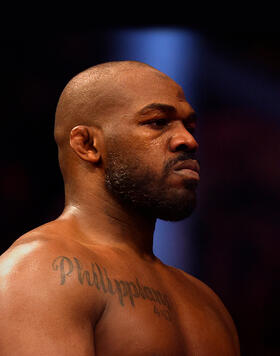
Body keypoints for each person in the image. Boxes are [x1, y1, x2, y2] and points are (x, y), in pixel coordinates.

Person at [0, 61, 240, 355]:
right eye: (157, 122)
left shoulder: (206, 301)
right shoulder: (39, 270)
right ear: (87, 144)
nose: (188, 140)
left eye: (189, 125)